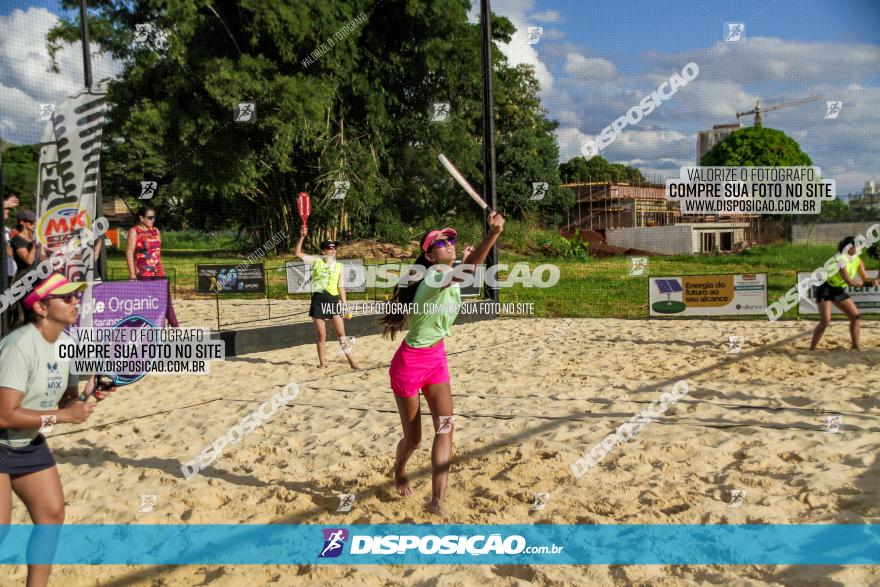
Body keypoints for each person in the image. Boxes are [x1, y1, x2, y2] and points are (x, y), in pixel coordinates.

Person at [379, 212, 504, 517]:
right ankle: (399, 470)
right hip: (409, 364)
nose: (449, 244)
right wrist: (493, 233)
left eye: (451, 240)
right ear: (428, 253)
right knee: (414, 439)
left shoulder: (446, 274)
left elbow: (464, 271)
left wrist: (466, 256)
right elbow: (469, 272)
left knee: (446, 427)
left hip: (436, 359)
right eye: (441, 242)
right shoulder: (432, 275)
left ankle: (437, 500)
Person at [0, 273, 115, 586]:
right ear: (40, 308)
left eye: (76, 296)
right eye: (66, 297)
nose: (75, 301)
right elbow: (5, 416)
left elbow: (65, 401)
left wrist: (90, 394)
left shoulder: (67, 343)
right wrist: (66, 417)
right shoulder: (19, 346)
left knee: (50, 516)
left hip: (26, 441)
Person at [294, 228, 358, 370]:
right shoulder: (317, 261)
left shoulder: (340, 266)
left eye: (334, 247)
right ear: (323, 251)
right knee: (321, 335)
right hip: (318, 300)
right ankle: (323, 364)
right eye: (330, 247)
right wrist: (302, 236)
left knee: (342, 334)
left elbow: (341, 287)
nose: (333, 250)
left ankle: (353, 363)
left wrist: (345, 305)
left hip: (333, 300)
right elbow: (297, 253)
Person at [810, 236, 876, 351]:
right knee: (825, 320)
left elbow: (865, 277)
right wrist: (868, 285)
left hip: (837, 289)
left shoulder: (858, 260)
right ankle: (812, 348)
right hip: (824, 288)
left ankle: (855, 346)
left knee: (855, 317)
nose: (860, 248)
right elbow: (848, 281)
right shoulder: (840, 259)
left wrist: (874, 280)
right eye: (857, 245)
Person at [126, 205, 179, 327]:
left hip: (158, 272)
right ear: (141, 218)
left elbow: (157, 254)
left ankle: (176, 328)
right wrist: (132, 273)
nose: (152, 220)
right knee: (148, 304)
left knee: (166, 302)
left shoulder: (156, 231)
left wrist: (163, 271)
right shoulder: (134, 232)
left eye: (153, 218)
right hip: (143, 274)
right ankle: (151, 330)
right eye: (149, 217)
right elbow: (129, 253)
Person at [10, 209, 52, 275]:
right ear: (22, 222)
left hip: (38, 276)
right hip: (25, 280)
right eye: (31, 221)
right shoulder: (16, 240)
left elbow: (42, 257)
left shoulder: (33, 237)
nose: (34, 224)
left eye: (34, 221)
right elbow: (29, 261)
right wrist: (35, 244)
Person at [3, 195, 19, 289]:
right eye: (5, 209)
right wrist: (6, 203)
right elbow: (8, 251)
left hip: (11, 274)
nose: (8, 210)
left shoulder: (7, 230)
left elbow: (11, 251)